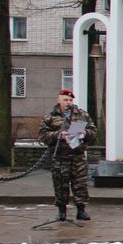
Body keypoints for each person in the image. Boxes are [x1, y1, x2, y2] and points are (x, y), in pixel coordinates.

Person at [39, 89, 97, 221]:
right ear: (59, 100)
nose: (68, 102)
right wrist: (58, 135)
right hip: (60, 157)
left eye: (70, 100)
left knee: (80, 184)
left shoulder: (82, 115)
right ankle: (61, 211)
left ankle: (81, 210)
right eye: (65, 100)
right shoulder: (50, 117)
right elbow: (42, 136)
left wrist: (85, 133)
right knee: (60, 185)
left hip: (77, 155)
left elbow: (93, 130)